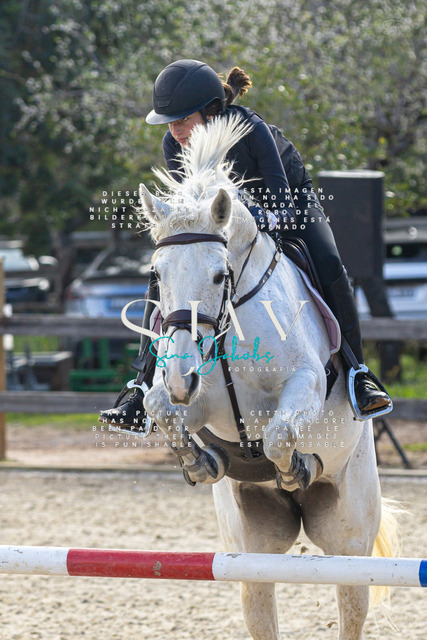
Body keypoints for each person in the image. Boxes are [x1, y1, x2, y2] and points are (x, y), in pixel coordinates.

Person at [99, 59, 391, 427]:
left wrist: (255, 216)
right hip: (225, 220)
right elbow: (191, 210)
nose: (175, 131)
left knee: (331, 262)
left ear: (210, 112)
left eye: (182, 120)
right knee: (164, 272)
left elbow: (285, 208)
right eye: (170, 122)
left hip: (290, 205)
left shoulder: (251, 130)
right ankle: (140, 388)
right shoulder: (173, 144)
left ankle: (358, 373)